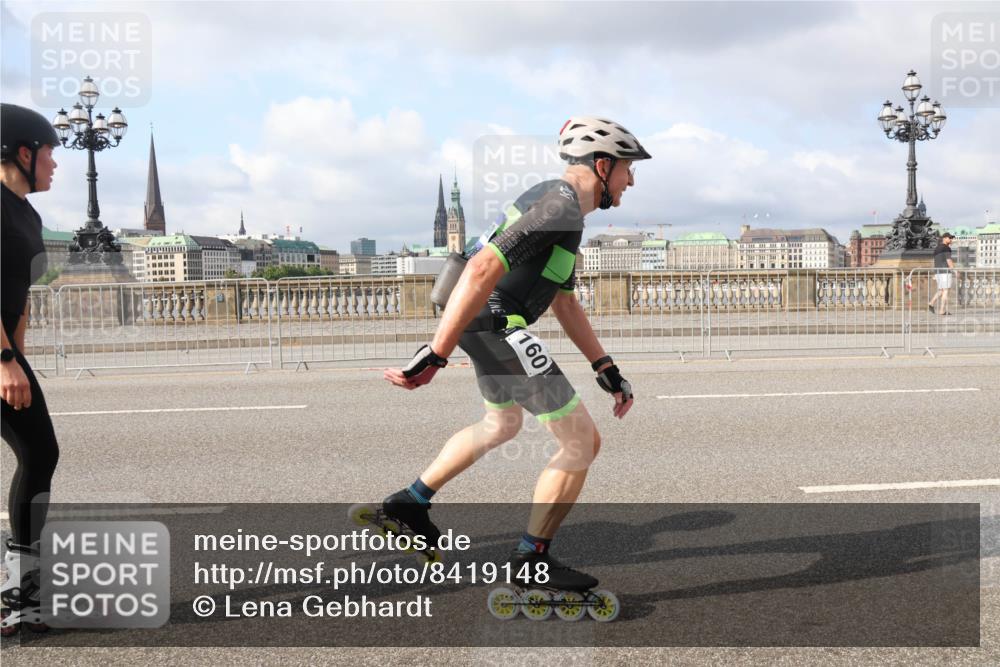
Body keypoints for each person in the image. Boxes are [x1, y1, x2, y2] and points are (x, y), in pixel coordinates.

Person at [381, 116, 649, 592]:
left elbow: (563, 299)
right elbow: (484, 264)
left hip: (482, 321)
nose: (632, 181)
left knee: (501, 425)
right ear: (603, 165)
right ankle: (531, 559)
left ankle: (411, 502)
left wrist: (604, 366)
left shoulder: (566, 212)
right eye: (628, 169)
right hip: (499, 322)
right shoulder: (559, 206)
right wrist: (436, 354)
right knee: (581, 442)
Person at [1, 102, 62, 633]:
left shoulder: (28, 213)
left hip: (5, 355)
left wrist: (19, 355)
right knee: (39, 453)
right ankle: (18, 600)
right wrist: (4, 361)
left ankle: (18, 595)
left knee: (39, 454)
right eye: (49, 153)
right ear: (23, 152)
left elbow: (16, 296)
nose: (55, 164)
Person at [928, 232, 956, 316]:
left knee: (941, 290)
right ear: (944, 238)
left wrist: (935, 273)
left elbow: (936, 261)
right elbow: (949, 260)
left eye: (951, 238)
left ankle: (931, 303)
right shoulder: (946, 248)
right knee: (946, 291)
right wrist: (955, 271)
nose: (951, 239)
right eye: (949, 238)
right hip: (945, 272)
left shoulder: (937, 248)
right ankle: (942, 310)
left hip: (938, 272)